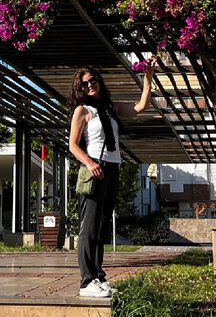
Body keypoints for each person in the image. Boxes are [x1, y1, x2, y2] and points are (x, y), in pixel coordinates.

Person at [67, 65, 154, 298]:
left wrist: (148, 79)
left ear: (99, 80)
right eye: (84, 83)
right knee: (89, 228)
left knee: (103, 226)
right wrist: (89, 162)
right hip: (95, 167)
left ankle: (98, 277)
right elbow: (73, 145)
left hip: (113, 167)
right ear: (80, 89)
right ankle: (86, 281)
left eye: (93, 80)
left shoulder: (110, 108)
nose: (90, 85)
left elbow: (139, 107)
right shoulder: (82, 110)